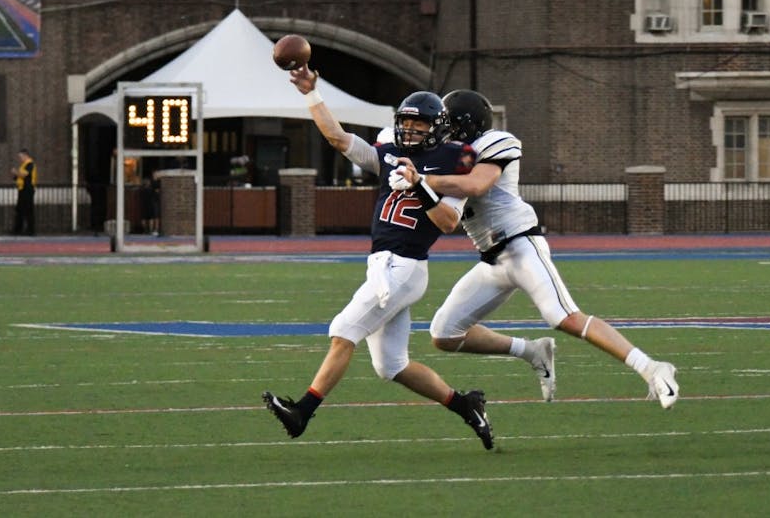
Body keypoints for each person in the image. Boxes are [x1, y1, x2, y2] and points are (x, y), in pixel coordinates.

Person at [391, 89, 679, 409]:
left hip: (521, 245)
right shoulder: (444, 159)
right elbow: (441, 212)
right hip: (492, 260)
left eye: (446, 124)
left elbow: (476, 185)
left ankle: (651, 368)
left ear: (464, 126)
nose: (438, 131)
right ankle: (533, 351)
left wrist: (424, 182)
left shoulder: (495, 142)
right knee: (444, 334)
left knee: (563, 316)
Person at [261, 68, 495, 449]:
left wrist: (420, 186)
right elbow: (338, 139)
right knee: (392, 366)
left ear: (437, 128)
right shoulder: (391, 153)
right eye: (406, 124)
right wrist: (310, 93)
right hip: (384, 264)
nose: (411, 132)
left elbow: (449, 221)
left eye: (419, 126)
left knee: (343, 331)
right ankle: (465, 404)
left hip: (404, 266)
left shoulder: (454, 160)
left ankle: (302, 411)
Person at [11, 148, 36, 235]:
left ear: (25, 155)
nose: (20, 159)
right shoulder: (23, 165)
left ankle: (30, 230)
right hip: (22, 189)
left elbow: (24, 175)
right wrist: (16, 175)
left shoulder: (30, 164)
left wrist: (15, 172)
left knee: (28, 210)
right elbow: (18, 177)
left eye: (20, 157)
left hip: (27, 190)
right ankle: (18, 229)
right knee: (20, 210)